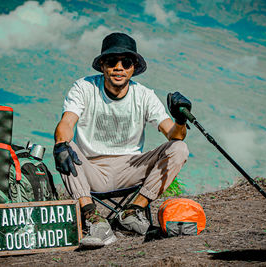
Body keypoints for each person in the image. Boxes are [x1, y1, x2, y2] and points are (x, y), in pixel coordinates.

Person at [53, 32, 191, 248]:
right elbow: (66, 123)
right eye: (112, 61)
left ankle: (133, 210)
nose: (119, 67)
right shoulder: (84, 87)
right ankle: (94, 219)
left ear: (133, 67)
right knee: (65, 146)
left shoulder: (144, 95)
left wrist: (180, 119)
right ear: (102, 65)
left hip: (131, 168)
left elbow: (172, 134)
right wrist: (60, 144)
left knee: (180, 148)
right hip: (91, 169)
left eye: (125, 62)